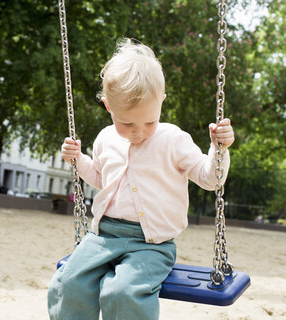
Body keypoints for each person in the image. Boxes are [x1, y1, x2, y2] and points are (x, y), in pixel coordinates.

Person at [48, 38, 235, 320]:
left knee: (122, 292)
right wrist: (79, 161)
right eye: (127, 124)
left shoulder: (173, 140)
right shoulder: (105, 138)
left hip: (152, 245)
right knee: (66, 283)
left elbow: (211, 179)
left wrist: (219, 149)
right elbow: (101, 179)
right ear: (108, 106)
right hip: (102, 236)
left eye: (149, 122)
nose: (138, 132)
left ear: (161, 101)